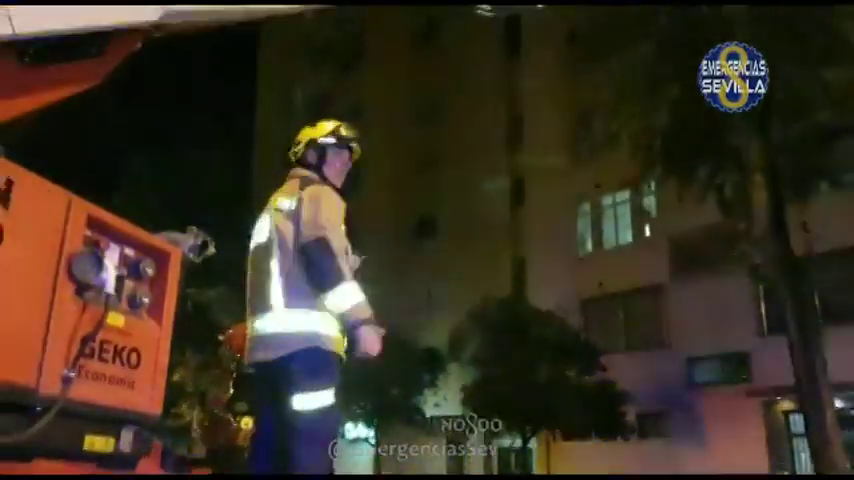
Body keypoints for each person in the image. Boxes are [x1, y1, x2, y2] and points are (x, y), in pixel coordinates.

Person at [244, 119, 384, 474]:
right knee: (311, 457)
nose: (346, 163)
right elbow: (322, 256)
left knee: (271, 455)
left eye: (350, 158)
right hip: (308, 353)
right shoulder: (318, 194)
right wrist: (362, 322)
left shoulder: (277, 204)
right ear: (311, 154)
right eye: (339, 153)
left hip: (266, 356)